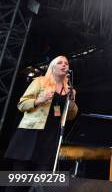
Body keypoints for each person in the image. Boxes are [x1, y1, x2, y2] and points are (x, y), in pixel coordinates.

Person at [4, 55, 78, 191]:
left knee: (40, 181)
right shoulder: (40, 82)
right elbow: (21, 104)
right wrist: (39, 100)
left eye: (66, 63)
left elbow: (71, 116)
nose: (64, 65)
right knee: (18, 178)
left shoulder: (70, 90)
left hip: (50, 136)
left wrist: (72, 103)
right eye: (60, 63)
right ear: (53, 67)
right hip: (31, 132)